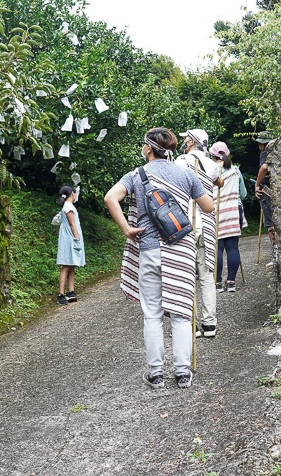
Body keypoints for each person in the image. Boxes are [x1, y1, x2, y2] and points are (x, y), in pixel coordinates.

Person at [104, 127, 213, 389]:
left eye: (143, 145)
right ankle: (183, 373)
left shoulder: (136, 175)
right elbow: (209, 207)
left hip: (150, 248)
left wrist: (127, 229)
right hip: (181, 249)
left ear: (149, 148)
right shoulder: (186, 173)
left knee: (152, 314)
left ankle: (156, 374)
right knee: (181, 313)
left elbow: (110, 198)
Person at [175, 128, 224, 338]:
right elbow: (218, 181)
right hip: (206, 224)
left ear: (193, 141)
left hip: (185, 223)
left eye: (186, 138)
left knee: (186, 275)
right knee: (206, 275)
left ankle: (191, 325)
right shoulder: (212, 165)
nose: (184, 141)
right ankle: (210, 325)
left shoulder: (180, 162)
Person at [209, 141, 245, 293]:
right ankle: (231, 282)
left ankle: (217, 283)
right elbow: (243, 194)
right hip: (233, 210)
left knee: (217, 247)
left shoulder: (209, 170)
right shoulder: (235, 171)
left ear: (212, 155)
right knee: (232, 247)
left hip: (215, 210)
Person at [56, 185, 84, 305]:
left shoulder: (68, 206)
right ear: (72, 193)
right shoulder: (68, 207)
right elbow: (72, 224)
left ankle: (71, 292)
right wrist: (77, 239)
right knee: (67, 265)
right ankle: (61, 294)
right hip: (70, 239)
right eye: (76, 193)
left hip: (69, 237)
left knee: (72, 265)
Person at [254, 132, 276, 239]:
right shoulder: (277, 152)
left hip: (267, 190)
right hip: (277, 189)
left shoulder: (264, 153)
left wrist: (257, 184)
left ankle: (275, 249)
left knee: (271, 225)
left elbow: (264, 167)